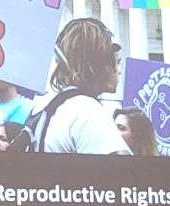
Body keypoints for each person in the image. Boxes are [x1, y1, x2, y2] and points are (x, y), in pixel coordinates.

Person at [27, 18, 130, 155]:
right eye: (115, 61)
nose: (119, 70)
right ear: (96, 64)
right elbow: (122, 173)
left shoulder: (47, 106)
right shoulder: (87, 110)